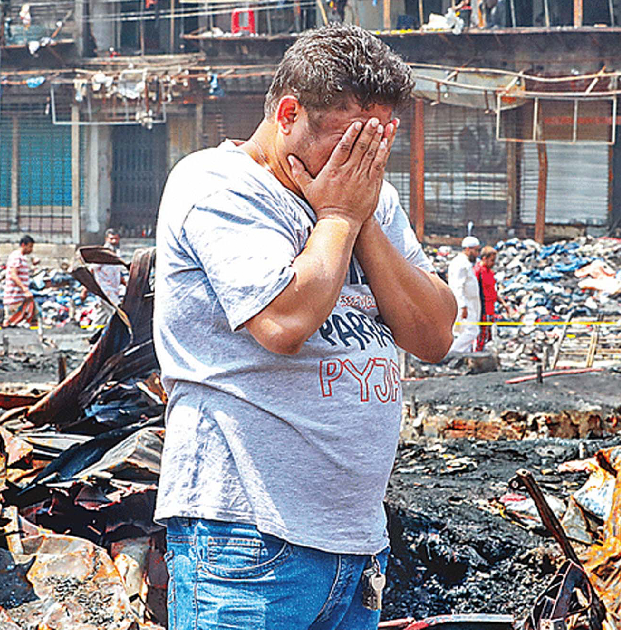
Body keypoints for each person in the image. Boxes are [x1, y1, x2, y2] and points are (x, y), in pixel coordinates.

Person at [153, 24, 456, 630]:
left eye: (377, 143)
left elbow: (434, 333)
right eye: (349, 142)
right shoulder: (218, 184)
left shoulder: (367, 200)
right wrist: (341, 214)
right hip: (247, 540)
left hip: (355, 543)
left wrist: (358, 215)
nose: (362, 161)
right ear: (289, 113)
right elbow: (283, 319)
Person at [448, 236, 482, 353]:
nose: (477, 254)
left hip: (469, 303)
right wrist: (463, 306)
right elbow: (458, 286)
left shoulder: (464, 262)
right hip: (464, 303)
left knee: (463, 331)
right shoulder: (460, 263)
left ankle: (464, 357)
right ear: (468, 249)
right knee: (471, 331)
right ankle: (452, 353)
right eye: (476, 250)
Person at [474, 245, 510, 351]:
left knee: (488, 336)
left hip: (491, 308)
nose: (493, 263)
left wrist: (503, 303)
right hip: (482, 309)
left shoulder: (490, 272)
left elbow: (493, 291)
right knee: (481, 336)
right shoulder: (478, 271)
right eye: (492, 260)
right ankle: (476, 357)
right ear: (484, 258)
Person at [84, 228, 127, 318]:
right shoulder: (101, 254)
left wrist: (126, 284)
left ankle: (93, 329)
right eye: (111, 239)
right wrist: (85, 290)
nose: (114, 241)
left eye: (116, 239)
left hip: (114, 289)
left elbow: (117, 273)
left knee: (103, 314)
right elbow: (91, 271)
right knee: (116, 312)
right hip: (105, 289)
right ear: (106, 239)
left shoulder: (116, 253)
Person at [3, 235, 37, 327]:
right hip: (14, 298)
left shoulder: (22, 258)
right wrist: (25, 290)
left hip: (20, 298)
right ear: (23, 245)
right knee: (11, 325)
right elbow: (13, 275)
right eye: (30, 247)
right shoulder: (16, 256)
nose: (31, 249)